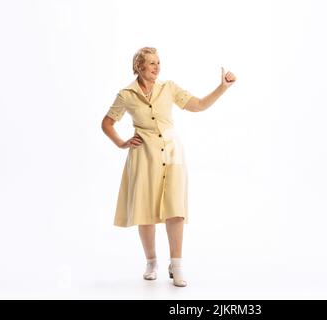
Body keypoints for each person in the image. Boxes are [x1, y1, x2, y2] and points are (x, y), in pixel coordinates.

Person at [101, 47, 236, 287]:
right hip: (144, 156)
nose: (156, 67)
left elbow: (199, 105)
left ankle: (177, 264)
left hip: (172, 154)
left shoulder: (168, 88)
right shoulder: (126, 95)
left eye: (158, 62)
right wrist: (122, 143)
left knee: (176, 209)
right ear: (138, 67)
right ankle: (151, 262)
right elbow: (107, 122)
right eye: (151, 63)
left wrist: (222, 87)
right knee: (145, 211)